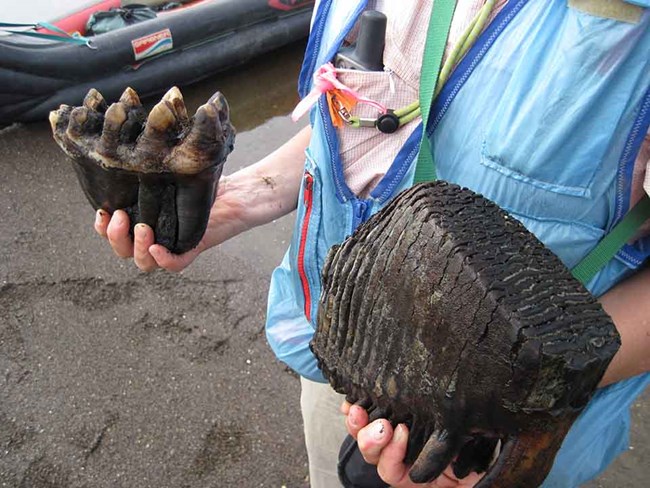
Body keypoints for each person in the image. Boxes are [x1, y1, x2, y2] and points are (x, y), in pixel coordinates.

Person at [94, 0, 650, 486]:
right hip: (338, 359)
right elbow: (365, 113)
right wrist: (248, 195)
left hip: (490, 448)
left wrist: (506, 403)